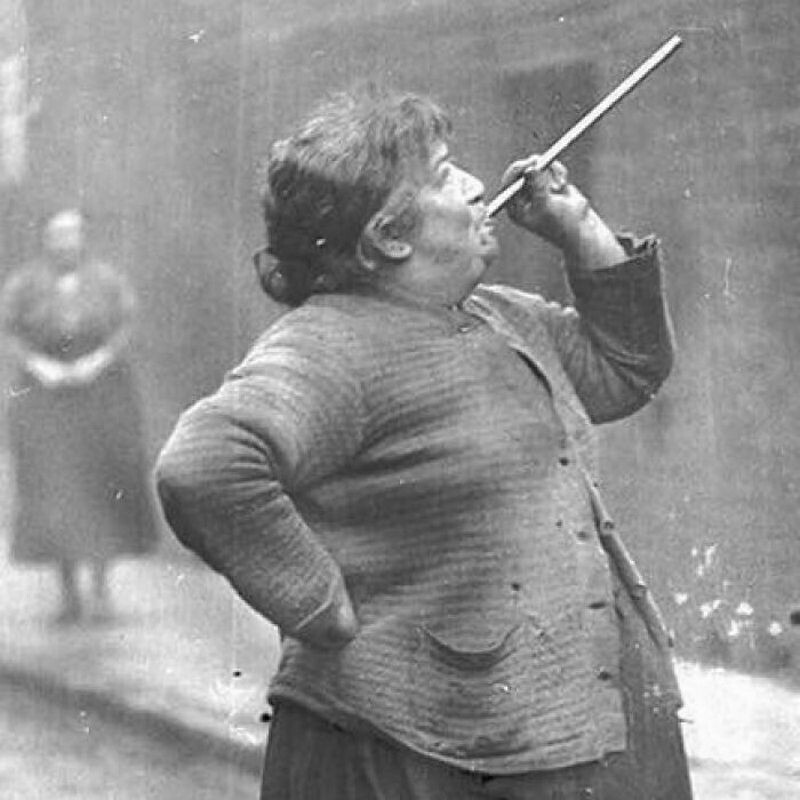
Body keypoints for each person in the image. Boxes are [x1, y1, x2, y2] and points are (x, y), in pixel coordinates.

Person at [155, 88, 693, 799]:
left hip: (555, 734)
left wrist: (578, 226)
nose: (476, 185)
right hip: (415, 752)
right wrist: (318, 604)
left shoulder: (500, 316)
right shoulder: (328, 345)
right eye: (444, 174)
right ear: (388, 236)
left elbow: (628, 367)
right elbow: (205, 464)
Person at [1, 209, 159, 624]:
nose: (65, 242)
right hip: (46, 395)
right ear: (45, 239)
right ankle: (68, 592)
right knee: (55, 488)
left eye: (72, 234)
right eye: (57, 234)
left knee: (103, 483)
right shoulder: (24, 284)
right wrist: (39, 366)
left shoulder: (107, 281)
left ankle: (101, 587)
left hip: (100, 393)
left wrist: (98, 361)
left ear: (83, 238)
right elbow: (9, 331)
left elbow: (127, 325)